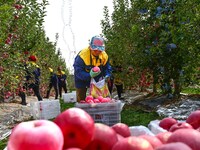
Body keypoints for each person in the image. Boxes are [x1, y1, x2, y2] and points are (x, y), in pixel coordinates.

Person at [73, 35, 112, 102]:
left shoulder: (104, 56)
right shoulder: (82, 56)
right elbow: (78, 71)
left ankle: (97, 111)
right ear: (91, 47)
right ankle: (82, 111)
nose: (97, 52)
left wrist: (107, 75)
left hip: (97, 80)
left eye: (99, 50)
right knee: (81, 99)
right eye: (95, 50)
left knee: (98, 98)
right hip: (82, 79)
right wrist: (89, 75)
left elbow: (107, 68)